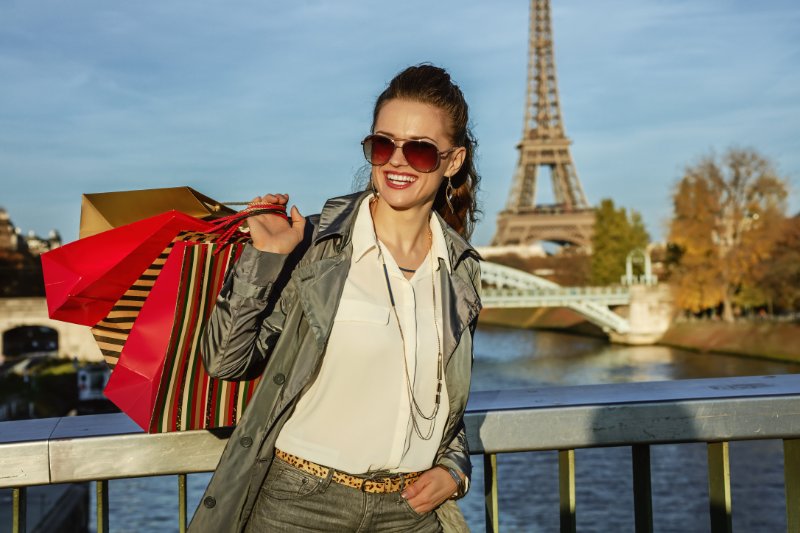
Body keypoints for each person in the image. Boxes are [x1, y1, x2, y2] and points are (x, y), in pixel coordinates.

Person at [188, 63, 482, 532]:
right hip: (300, 505)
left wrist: (454, 467)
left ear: (453, 160)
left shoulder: (460, 270)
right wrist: (264, 259)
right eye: (383, 145)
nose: (398, 161)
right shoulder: (319, 247)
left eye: (422, 150)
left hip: (408, 512)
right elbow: (225, 360)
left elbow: (441, 396)